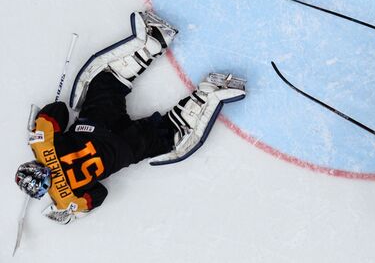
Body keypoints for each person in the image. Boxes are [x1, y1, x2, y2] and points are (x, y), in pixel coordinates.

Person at [15, 11, 246, 224]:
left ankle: (209, 93)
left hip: (121, 150)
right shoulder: (42, 147)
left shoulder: (65, 199)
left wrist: (73, 209)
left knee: (167, 134)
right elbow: (60, 111)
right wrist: (42, 122)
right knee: (106, 82)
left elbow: (100, 194)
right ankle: (153, 40)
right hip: (95, 125)